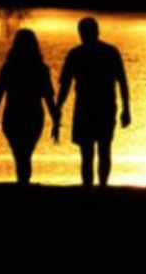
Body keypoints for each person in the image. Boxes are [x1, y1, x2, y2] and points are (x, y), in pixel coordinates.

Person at [55, 17, 131, 188]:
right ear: (97, 32)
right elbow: (123, 83)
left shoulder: (76, 54)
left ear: (81, 34)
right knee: (103, 150)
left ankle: (90, 187)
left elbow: (65, 86)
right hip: (104, 107)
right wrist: (126, 109)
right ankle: (101, 187)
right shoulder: (110, 52)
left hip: (86, 108)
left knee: (88, 153)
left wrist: (58, 108)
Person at [0, 29, 57, 185]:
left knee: (20, 154)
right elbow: (48, 98)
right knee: (25, 154)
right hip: (33, 116)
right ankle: (24, 183)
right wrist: (55, 120)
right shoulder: (41, 68)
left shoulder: (10, 67)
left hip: (14, 114)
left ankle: (22, 184)